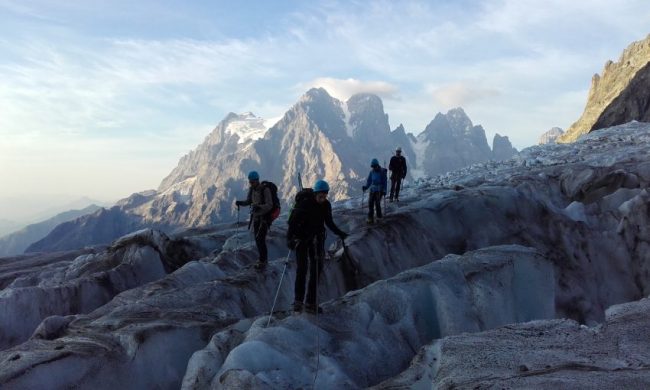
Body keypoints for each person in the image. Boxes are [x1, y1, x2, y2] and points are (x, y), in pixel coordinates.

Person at [287, 179, 348, 314]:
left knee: (316, 270)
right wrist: (290, 239)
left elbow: (329, 222)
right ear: (315, 193)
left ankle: (310, 302)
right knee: (302, 270)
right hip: (301, 240)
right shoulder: (305, 204)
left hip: (317, 240)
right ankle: (298, 301)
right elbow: (292, 222)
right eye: (321, 195)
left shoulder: (326, 205)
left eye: (325, 195)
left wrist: (340, 233)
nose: (323, 198)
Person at [235, 171, 273, 270]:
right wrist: (240, 203)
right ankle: (262, 260)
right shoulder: (252, 190)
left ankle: (263, 261)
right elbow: (248, 201)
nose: (251, 184)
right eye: (250, 182)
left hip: (264, 219)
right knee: (257, 239)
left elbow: (270, 205)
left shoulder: (265, 190)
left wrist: (258, 207)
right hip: (256, 218)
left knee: (260, 239)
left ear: (257, 180)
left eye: (252, 182)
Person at [362, 158, 387, 224]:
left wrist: (384, 190)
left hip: (379, 190)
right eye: (372, 166)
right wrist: (366, 187)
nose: (373, 168)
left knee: (377, 203)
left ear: (377, 165)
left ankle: (379, 217)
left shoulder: (382, 172)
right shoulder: (372, 172)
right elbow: (369, 181)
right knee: (370, 203)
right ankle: (370, 218)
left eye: (374, 166)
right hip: (373, 190)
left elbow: (385, 182)